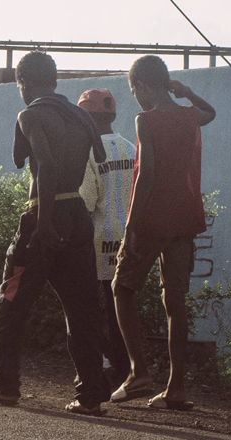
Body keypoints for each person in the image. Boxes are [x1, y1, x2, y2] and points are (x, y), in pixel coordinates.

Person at [0, 52, 111, 415]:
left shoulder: (30, 113)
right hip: (78, 216)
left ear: (24, 82)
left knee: (12, 300)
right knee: (83, 309)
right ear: (54, 80)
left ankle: (4, 385)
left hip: (43, 216)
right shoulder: (83, 115)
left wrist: (45, 223)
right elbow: (96, 157)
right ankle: (91, 394)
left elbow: (42, 163)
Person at [109, 55, 215, 411]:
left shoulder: (145, 121)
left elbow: (146, 175)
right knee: (175, 302)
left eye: (133, 90)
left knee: (121, 288)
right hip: (186, 220)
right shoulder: (189, 116)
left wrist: (130, 228)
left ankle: (138, 372)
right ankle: (176, 387)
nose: (135, 98)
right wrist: (188, 93)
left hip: (153, 221)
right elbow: (210, 113)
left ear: (140, 86)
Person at [76, 88, 138, 388]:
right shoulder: (131, 148)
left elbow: (85, 203)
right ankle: (131, 368)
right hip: (131, 240)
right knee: (124, 305)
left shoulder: (88, 154)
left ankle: (111, 367)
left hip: (99, 242)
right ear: (112, 115)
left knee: (96, 308)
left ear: (85, 119)